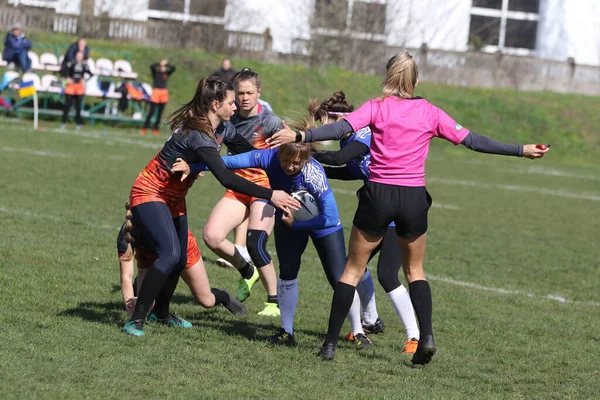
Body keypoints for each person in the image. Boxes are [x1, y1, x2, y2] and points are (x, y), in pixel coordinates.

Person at [268, 52, 550, 363]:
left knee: (352, 270)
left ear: (387, 77)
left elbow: (338, 130)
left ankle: (330, 345)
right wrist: (520, 150)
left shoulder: (376, 107)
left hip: (378, 195)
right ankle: (425, 336)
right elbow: (472, 140)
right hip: (413, 198)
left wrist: (300, 135)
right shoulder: (429, 111)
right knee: (414, 270)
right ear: (415, 82)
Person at [123, 76, 298, 336]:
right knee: (170, 255)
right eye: (230, 102)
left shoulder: (222, 129)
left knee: (180, 257)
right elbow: (226, 177)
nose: (236, 106)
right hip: (150, 191)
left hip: (173, 198)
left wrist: (290, 149)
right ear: (215, 104)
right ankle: (136, 320)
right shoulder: (199, 135)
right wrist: (270, 194)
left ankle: (161, 314)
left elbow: (248, 153)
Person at [173, 142, 380, 348]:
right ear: (279, 154)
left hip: (323, 225)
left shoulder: (313, 174)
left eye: (296, 163)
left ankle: (357, 332)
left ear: (305, 160)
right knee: (287, 272)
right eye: (286, 161)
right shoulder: (268, 157)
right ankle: (286, 331)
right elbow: (228, 161)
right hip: (287, 218)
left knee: (339, 278)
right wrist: (195, 166)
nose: (290, 166)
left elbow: (329, 218)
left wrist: (298, 225)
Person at [308, 91, 420, 354]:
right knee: (356, 267)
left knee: (387, 275)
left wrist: (308, 155)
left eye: (327, 125)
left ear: (339, 122)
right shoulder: (349, 141)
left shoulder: (364, 134)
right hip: (375, 208)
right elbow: (349, 170)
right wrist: (313, 167)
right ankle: (370, 320)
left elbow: (338, 160)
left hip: (395, 207)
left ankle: (414, 337)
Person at [201, 68, 282, 317]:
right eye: (240, 93)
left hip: (264, 190)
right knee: (212, 236)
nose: (244, 97)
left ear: (259, 92)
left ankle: (274, 302)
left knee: (255, 242)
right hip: (237, 188)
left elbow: (289, 156)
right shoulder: (228, 119)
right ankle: (247, 270)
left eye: (250, 92)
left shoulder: (270, 122)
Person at [117, 202, 247, 318]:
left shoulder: (163, 227)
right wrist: (131, 308)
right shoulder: (127, 233)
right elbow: (125, 277)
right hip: (149, 257)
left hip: (182, 248)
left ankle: (225, 296)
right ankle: (155, 310)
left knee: (206, 300)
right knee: (144, 308)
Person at [141, 59, 176, 136]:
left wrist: (166, 64)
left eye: (164, 67)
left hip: (164, 93)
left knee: (160, 113)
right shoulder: (156, 72)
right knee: (151, 112)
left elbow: (173, 68)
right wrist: (160, 63)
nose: (162, 68)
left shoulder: (167, 73)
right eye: (161, 66)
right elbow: (152, 66)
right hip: (156, 92)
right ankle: (144, 128)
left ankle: (156, 129)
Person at [61, 51, 92, 130]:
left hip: (79, 87)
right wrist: (67, 79)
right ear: (75, 56)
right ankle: (63, 123)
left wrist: (85, 79)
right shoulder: (71, 63)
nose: (79, 57)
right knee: (67, 105)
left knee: (78, 107)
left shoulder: (84, 65)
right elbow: (63, 71)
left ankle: (78, 124)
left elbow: (91, 74)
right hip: (71, 86)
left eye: (80, 56)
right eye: (78, 55)